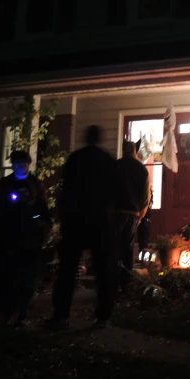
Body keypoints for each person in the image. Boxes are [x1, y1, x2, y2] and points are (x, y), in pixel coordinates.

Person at [46, 125, 118, 330]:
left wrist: (62, 216)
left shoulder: (75, 159)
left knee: (67, 270)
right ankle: (103, 316)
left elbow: (65, 189)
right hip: (100, 222)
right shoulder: (108, 161)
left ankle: (61, 315)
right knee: (104, 271)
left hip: (76, 220)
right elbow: (115, 192)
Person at [0, 150, 51, 327]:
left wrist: (37, 220)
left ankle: (22, 312)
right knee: (10, 274)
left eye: (23, 162)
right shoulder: (5, 183)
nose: (20, 165)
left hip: (30, 237)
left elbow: (43, 211)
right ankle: (10, 309)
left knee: (28, 276)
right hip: (9, 235)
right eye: (17, 163)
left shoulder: (36, 184)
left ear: (28, 164)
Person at [114, 140, 150, 291]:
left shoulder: (114, 166)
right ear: (135, 150)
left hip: (114, 214)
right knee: (127, 249)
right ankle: (125, 283)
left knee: (113, 248)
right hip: (132, 214)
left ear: (123, 150)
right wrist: (141, 214)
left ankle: (112, 282)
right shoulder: (142, 170)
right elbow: (145, 197)